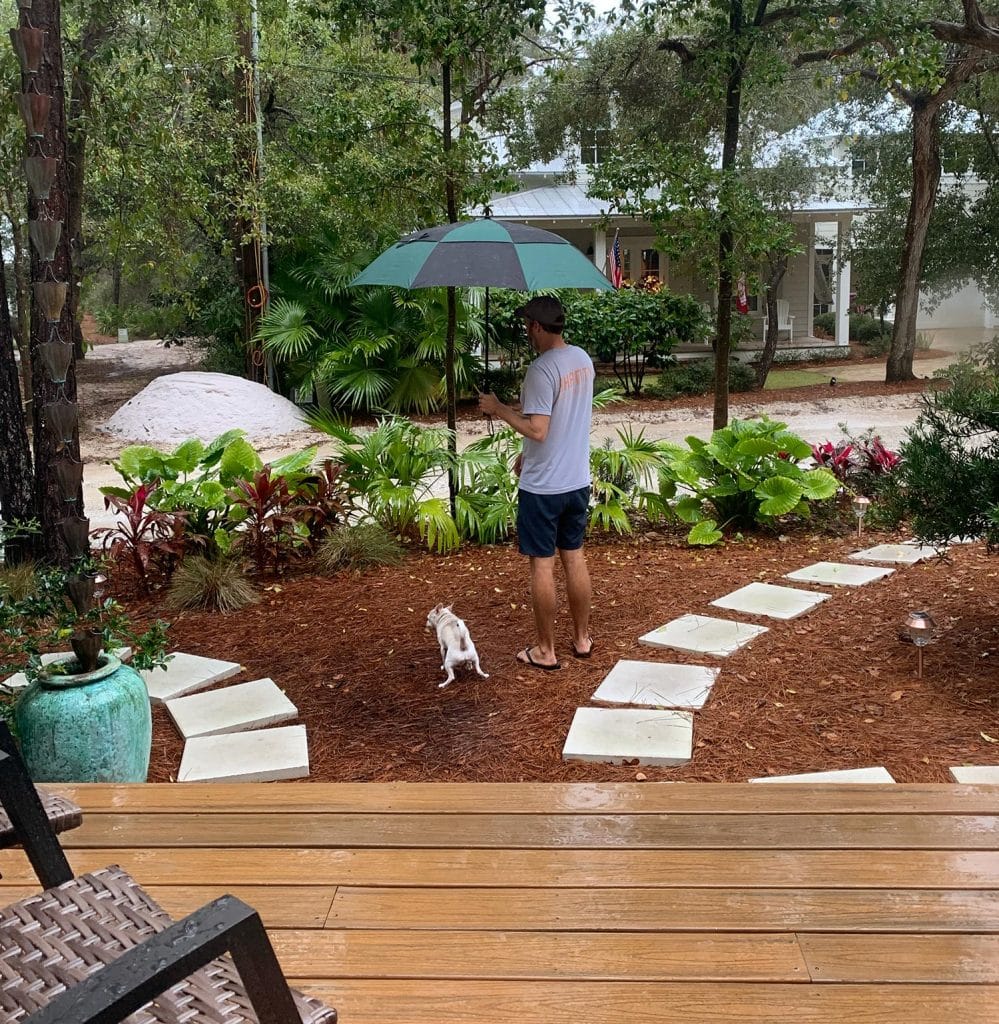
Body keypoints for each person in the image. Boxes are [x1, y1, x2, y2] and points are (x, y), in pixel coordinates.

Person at [478, 296, 594, 670]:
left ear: (538, 327)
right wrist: (528, 454)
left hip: (544, 489)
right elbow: (561, 423)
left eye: (528, 325)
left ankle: (546, 651)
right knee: (573, 557)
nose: (526, 331)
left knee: (542, 567)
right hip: (576, 481)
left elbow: (539, 429)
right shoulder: (582, 360)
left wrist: (498, 409)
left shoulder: (541, 371)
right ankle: (581, 639)